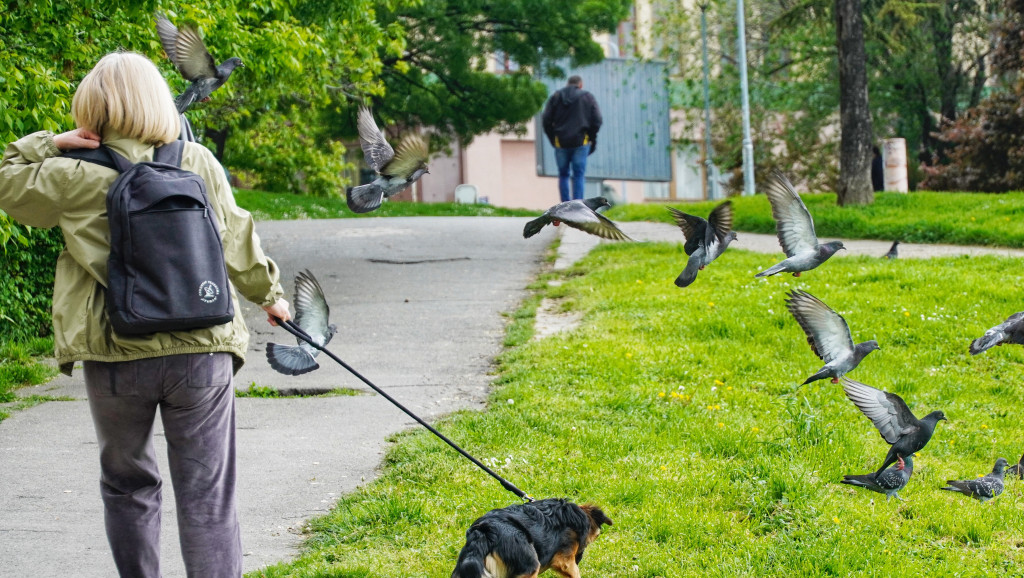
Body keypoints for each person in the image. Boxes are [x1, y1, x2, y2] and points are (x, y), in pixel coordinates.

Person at [0, 51, 291, 578]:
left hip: (115, 350)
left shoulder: (69, 174)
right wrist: (270, 297)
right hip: (201, 347)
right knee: (207, 496)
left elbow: (5, 181)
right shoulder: (196, 161)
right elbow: (236, 234)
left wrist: (50, 142)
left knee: (127, 485)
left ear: (92, 108)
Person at [541, 75, 603, 202]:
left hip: (560, 143)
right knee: (578, 175)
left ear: (567, 84)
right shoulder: (587, 97)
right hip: (581, 142)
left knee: (563, 174)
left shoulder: (556, 97)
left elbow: (546, 120)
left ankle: (565, 205)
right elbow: (597, 120)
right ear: (580, 85)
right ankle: (577, 205)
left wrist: (553, 138)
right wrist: (592, 138)